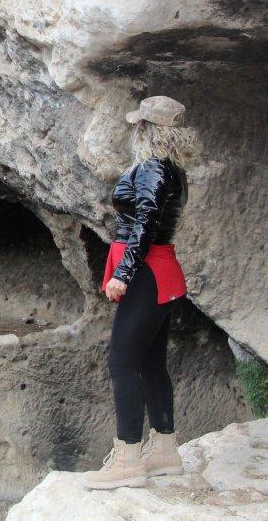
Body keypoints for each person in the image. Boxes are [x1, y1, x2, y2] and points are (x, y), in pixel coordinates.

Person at [84, 95, 199, 490]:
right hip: (161, 272)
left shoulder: (152, 168)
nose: (133, 129)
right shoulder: (174, 171)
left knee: (123, 363)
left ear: (147, 130)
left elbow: (144, 225)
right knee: (150, 364)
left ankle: (128, 458)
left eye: (138, 125)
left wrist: (123, 273)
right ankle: (165, 451)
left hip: (145, 272)